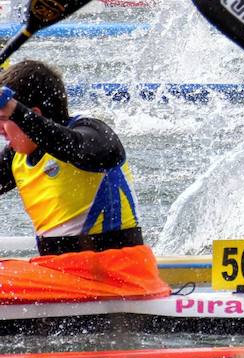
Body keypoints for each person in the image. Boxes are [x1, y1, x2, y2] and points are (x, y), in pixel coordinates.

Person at [0, 60, 170, 303]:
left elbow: (88, 151)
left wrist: (16, 110)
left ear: (32, 115)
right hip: (61, 274)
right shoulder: (17, 156)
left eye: (3, 118)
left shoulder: (93, 133)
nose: (0, 130)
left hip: (117, 276)